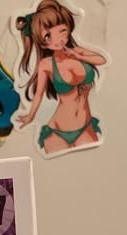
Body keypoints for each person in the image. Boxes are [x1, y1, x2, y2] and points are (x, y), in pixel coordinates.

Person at [15, 0, 106, 154]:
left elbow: (101, 60)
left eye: (62, 30)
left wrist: (78, 56)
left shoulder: (78, 51)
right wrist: (30, 116)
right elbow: (38, 94)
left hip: (85, 125)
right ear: (42, 43)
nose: (58, 39)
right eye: (48, 36)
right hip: (57, 131)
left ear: (69, 28)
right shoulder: (46, 64)